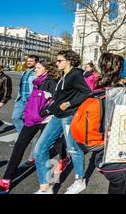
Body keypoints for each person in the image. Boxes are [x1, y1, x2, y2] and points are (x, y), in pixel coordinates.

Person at [0, 61, 68, 194]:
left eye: (38, 68)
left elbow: (57, 101)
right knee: (19, 147)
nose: (35, 70)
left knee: (56, 142)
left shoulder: (51, 82)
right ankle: (6, 181)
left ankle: (63, 159)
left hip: (45, 120)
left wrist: (43, 112)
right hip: (32, 119)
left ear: (46, 70)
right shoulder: (37, 81)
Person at [32, 50, 92, 194]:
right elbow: (60, 97)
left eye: (60, 60)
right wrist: (49, 109)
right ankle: (46, 186)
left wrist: (70, 103)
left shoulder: (76, 74)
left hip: (69, 116)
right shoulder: (64, 75)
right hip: (57, 116)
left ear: (69, 61)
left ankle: (80, 181)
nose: (57, 63)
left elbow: (86, 92)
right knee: (39, 149)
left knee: (73, 149)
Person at [92, 53, 126, 194]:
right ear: (125, 76)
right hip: (119, 158)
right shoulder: (122, 96)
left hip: (100, 154)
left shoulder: (100, 90)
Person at [12, 55, 39, 134]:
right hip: (21, 98)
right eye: (27, 61)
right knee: (15, 117)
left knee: (31, 120)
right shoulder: (25, 71)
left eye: (31, 61)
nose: (28, 62)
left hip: (30, 99)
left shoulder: (37, 72)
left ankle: (27, 137)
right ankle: (23, 135)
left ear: (36, 62)